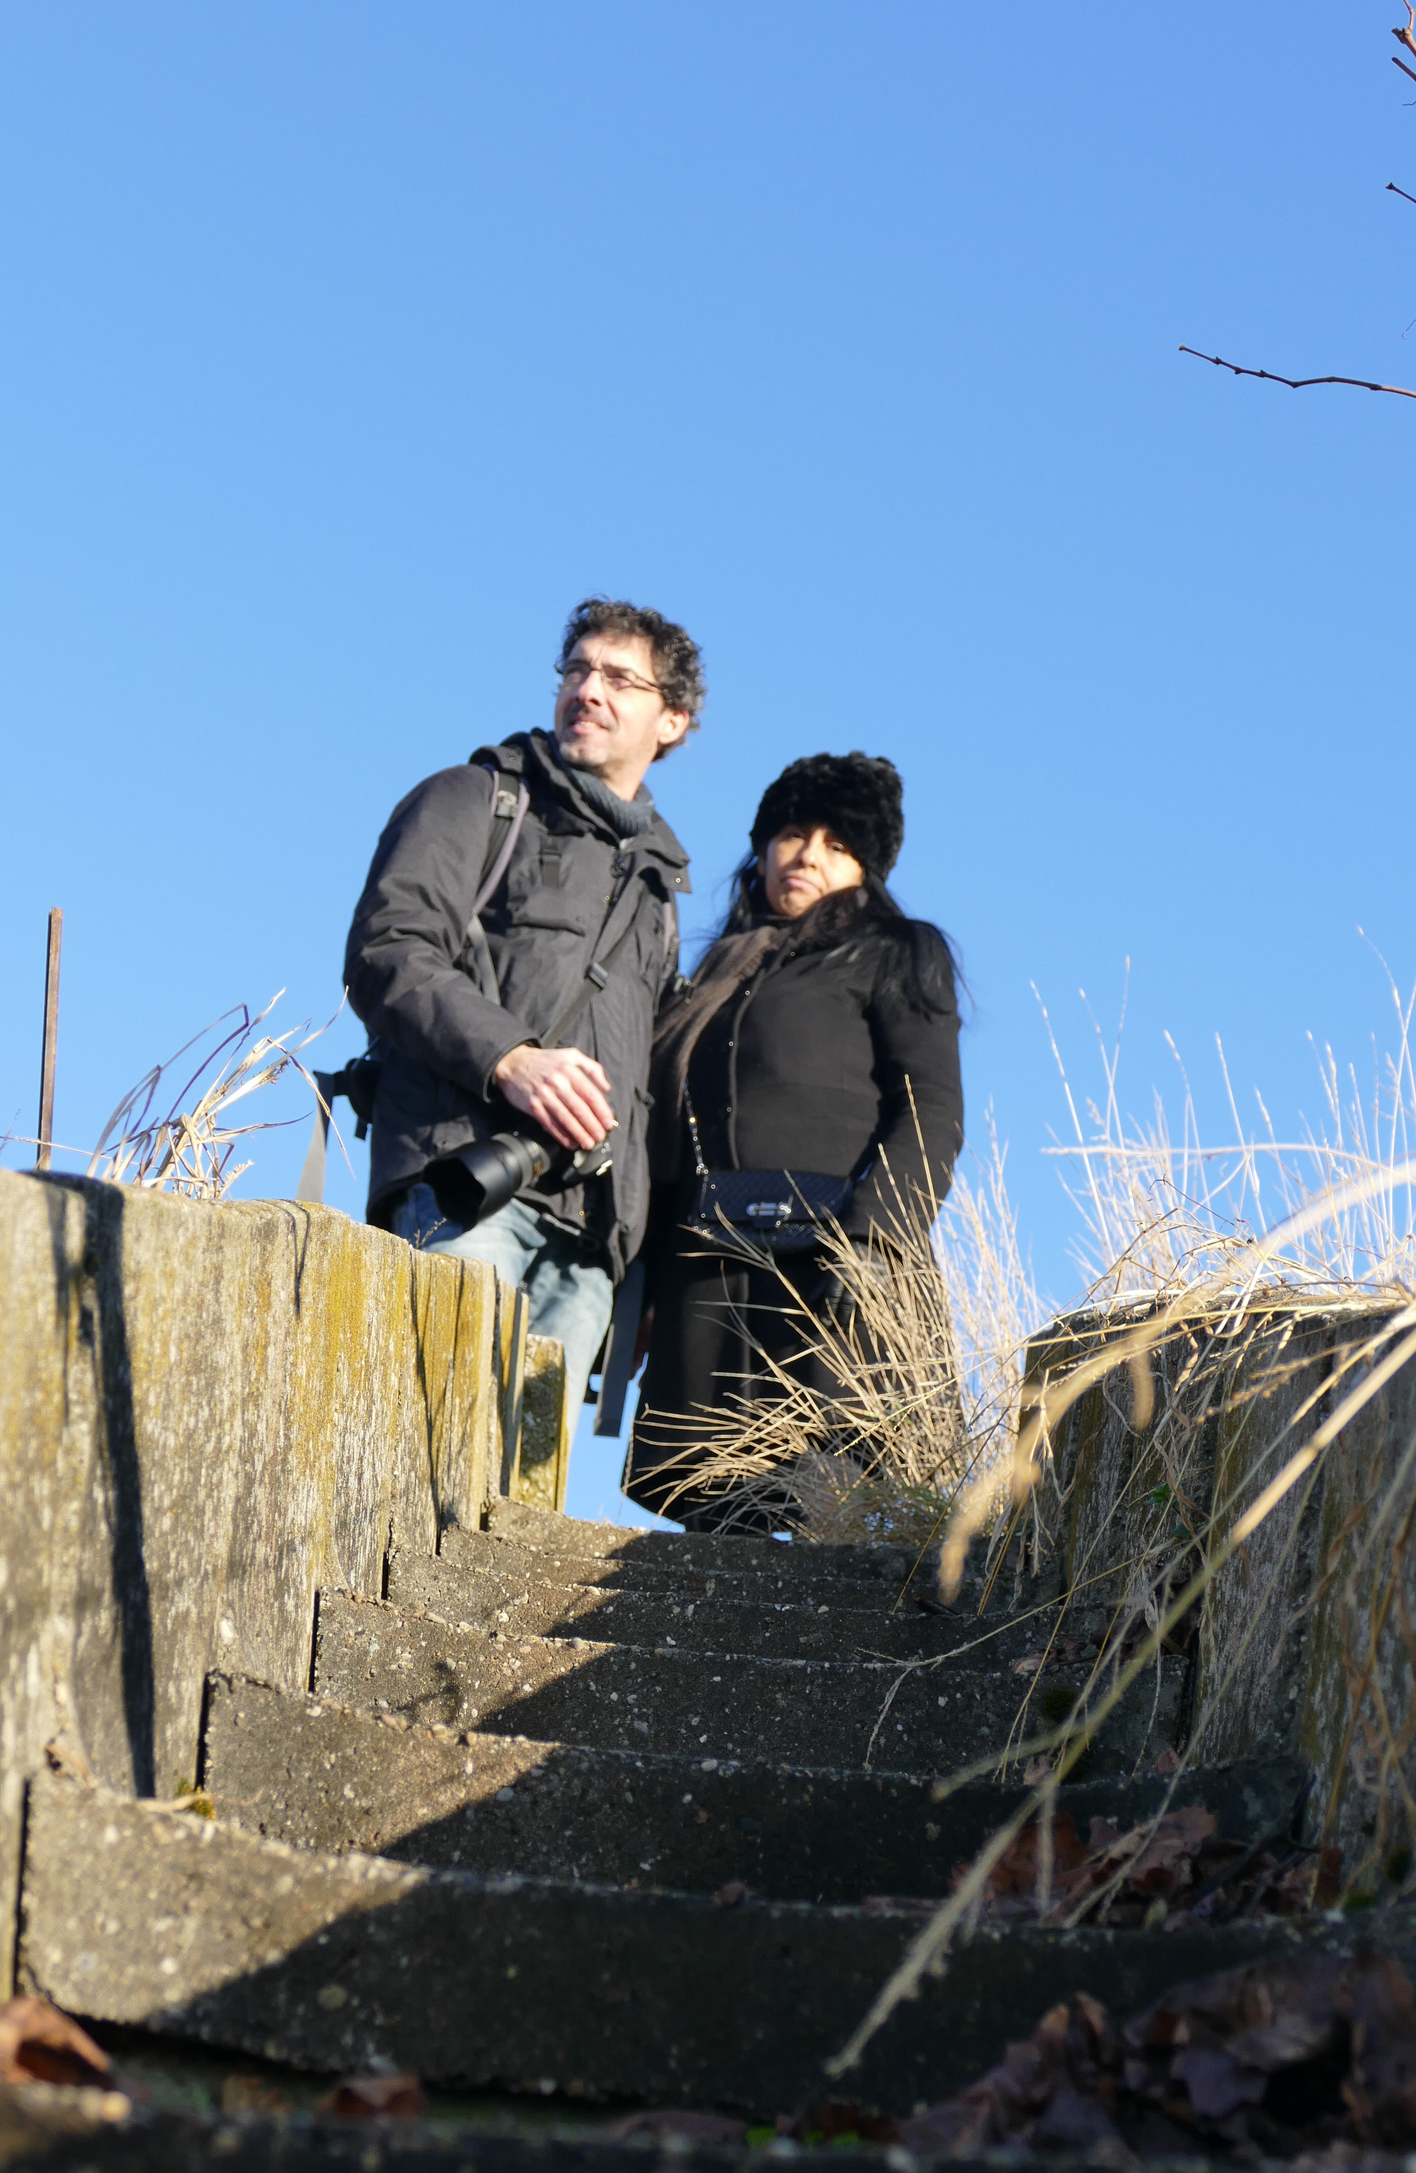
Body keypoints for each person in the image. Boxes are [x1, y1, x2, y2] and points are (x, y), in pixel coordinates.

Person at [343, 598, 700, 1422]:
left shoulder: (659, 891)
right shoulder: (474, 800)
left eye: (619, 679)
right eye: (577, 670)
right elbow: (385, 953)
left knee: (526, 1480)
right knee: (431, 1437)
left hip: (590, 1245)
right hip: (463, 1191)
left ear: (672, 721)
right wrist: (510, 1058)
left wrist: (639, 1259)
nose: (588, 690)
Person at [624, 750, 963, 1528]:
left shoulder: (896, 951)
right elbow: (666, 1136)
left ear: (866, 867)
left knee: (838, 1496)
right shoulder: (709, 977)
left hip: (834, 1260)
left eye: (836, 844)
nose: (806, 855)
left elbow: (933, 1110)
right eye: (791, 835)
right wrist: (643, 1281)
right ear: (761, 848)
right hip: (709, 1262)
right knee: (713, 1503)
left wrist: (874, 1243)